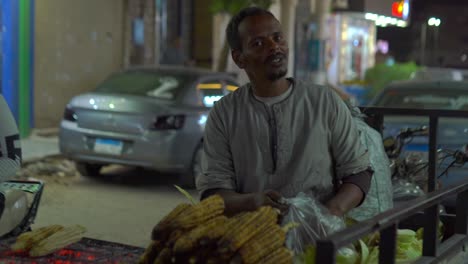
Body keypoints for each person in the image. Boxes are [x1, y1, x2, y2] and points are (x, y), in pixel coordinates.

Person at [196, 7, 373, 218]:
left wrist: (329, 214)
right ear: (239, 59)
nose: (274, 47)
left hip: (319, 238)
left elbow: (359, 174)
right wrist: (252, 201)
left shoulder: (324, 102)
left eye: (277, 37)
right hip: (252, 238)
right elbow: (214, 193)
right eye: (258, 43)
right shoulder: (224, 113)